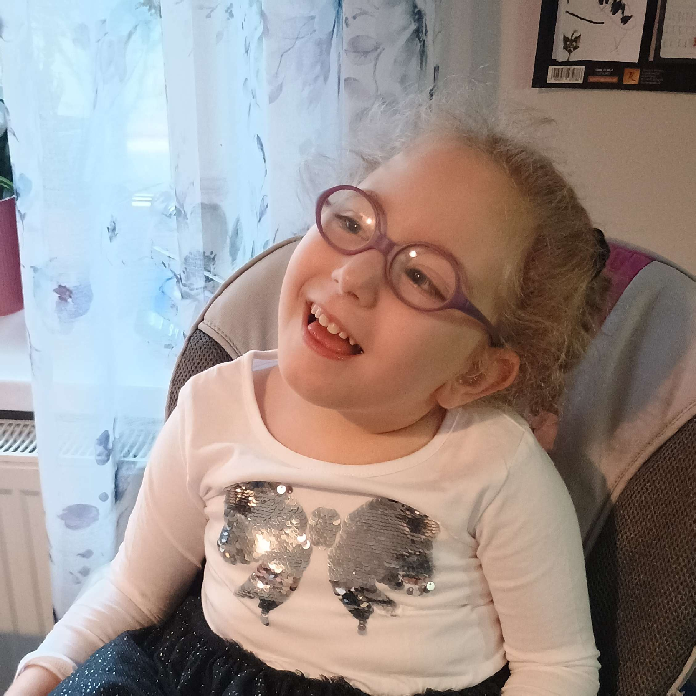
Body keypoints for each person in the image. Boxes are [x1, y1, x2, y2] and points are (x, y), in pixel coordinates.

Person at [8, 95, 608, 696]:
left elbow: (555, 668)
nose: (353, 275)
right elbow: (133, 591)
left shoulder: (496, 466)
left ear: (474, 374)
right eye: (353, 224)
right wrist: (43, 672)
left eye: (420, 277)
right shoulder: (213, 408)